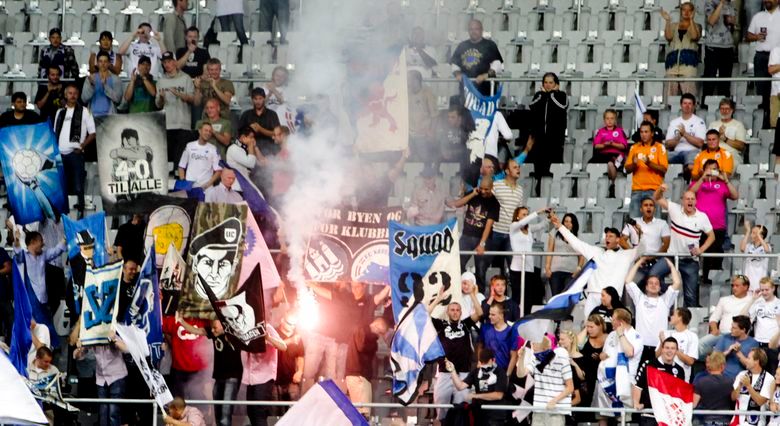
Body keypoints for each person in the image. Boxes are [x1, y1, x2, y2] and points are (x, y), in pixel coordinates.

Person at [549, 212, 643, 316]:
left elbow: (642, 249)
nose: (607, 238)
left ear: (618, 239)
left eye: (611, 236)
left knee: (609, 325)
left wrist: (641, 233)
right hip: (593, 295)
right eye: (606, 236)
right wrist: (560, 227)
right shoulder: (596, 251)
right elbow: (576, 243)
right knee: (589, 323)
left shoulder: (626, 255)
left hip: (613, 297)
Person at [652, 184, 716, 307]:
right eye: (687, 199)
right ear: (682, 201)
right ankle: (668, 297)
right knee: (653, 275)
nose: (690, 201)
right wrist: (660, 189)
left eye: (692, 199)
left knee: (690, 297)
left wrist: (701, 249)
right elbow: (657, 198)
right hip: (671, 256)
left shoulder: (702, 217)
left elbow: (712, 236)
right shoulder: (675, 209)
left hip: (690, 260)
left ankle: (687, 319)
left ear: (696, 201)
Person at [428, 284, 483, 425]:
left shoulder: (465, 324)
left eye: (458, 310)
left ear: (461, 312)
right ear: (447, 312)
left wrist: (472, 294)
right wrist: (438, 299)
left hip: (463, 374)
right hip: (444, 373)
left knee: (463, 410)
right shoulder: (441, 325)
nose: (455, 312)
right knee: (441, 410)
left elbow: (479, 313)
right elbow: (425, 315)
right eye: (452, 310)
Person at [177, 314, 241, 426]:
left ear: (223, 325)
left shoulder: (234, 333)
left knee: (225, 416)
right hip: (219, 377)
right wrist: (181, 321)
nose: (212, 330)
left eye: (215, 327)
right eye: (211, 327)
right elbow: (196, 330)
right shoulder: (213, 332)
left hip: (232, 377)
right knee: (218, 414)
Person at [447, 175, 499, 292]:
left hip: (483, 238)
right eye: (481, 188)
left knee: (481, 270)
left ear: (492, 187)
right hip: (467, 236)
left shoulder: (494, 203)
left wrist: (482, 244)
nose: (483, 191)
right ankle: (458, 291)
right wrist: (472, 194)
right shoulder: (474, 194)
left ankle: (480, 296)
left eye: (486, 189)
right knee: (458, 264)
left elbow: (488, 226)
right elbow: (456, 204)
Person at [625, 257, 682, 365]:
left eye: (656, 283)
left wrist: (671, 266)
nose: (653, 285)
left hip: (659, 346)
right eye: (650, 283)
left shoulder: (665, 300)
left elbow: (677, 283)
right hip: (640, 345)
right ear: (646, 287)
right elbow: (628, 281)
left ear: (660, 288)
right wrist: (639, 262)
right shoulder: (639, 298)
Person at [690, 158, 738, 282]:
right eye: (709, 169)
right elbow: (690, 194)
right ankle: (701, 280)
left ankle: (712, 284)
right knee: (697, 255)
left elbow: (735, 196)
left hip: (718, 227)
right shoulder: (697, 183)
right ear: (703, 170)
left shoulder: (722, 185)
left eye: (715, 169)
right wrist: (702, 178)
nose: (712, 171)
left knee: (714, 256)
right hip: (699, 227)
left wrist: (726, 180)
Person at [593, 308, 643, 425]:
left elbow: (629, 352)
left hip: (624, 382)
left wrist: (621, 334)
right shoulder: (611, 334)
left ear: (621, 322)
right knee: (603, 415)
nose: (611, 321)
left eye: (613, 319)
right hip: (605, 380)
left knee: (622, 417)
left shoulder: (636, 336)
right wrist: (602, 355)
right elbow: (604, 353)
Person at [516, 335, 575, 426]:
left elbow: (570, 387)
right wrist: (521, 358)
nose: (534, 353)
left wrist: (555, 400)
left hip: (556, 411)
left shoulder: (562, 359)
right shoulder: (535, 360)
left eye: (536, 350)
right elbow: (520, 374)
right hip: (538, 410)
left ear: (545, 349)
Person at [74, 330, 129, 426]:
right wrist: (80, 347)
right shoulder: (93, 335)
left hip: (117, 377)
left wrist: (114, 339)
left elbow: (126, 349)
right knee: (103, 411)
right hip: (101, 378)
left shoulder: (113, 332)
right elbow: (77, 356)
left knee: (113, 411)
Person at [446, 348, 508, 426]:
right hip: (480, 413)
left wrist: (476, 396)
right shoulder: (476, 372)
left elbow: (498, 395)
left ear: (493, 360)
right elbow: (460, 386)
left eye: (487, 364)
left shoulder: (500, 372)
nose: (485, 367)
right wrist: (452, 371)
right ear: (479, 362)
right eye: (483, 364)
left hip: (496, 413)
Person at [527, 72, 568, 189]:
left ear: (556, 84)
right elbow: (532, 106)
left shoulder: (561, 95)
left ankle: (554, 189)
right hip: (540, 137)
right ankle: (539, 188)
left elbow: (562, 106)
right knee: (539, 165)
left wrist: (552, 94)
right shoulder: (539, 95)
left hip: (555, 138)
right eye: (545, 82)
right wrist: (543, 95)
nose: (548, 85)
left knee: (554, 165)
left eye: (551, 82)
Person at [633, 337, 686, 425]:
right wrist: (636, 403)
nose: (670, 351)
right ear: (662, 349)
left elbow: (680, 393)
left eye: (673, 348)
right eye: (667, 348)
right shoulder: (649, 365)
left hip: (670, 417)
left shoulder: (679, 370)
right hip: (650, 415)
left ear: (677, 351)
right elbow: (638, 386)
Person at [243, 324, 288, 426]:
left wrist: (268, 338)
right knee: (251, 412)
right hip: (250, 378)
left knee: (259, 413)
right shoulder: (245, 328)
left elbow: (283, 346)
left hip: (264, 377)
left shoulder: (267, 327)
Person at [156, 51, 195, 167]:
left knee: (180, 160)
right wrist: (161, 98)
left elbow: (192, 99)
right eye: (164, 62)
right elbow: (158, 105)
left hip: (183, 124)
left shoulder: (186, 78)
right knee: (168, 159)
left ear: (174, 62)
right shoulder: (161, 81)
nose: (167, 64)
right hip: (167, 124)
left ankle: (179, 176)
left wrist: (178, 94)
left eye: (169, 61)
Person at [620, 197, 671, 286]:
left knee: (653, 283)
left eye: (651, 205)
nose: (648, 207)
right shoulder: (633, 222)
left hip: (656, 261)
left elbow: (666, 244)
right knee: (633, 287)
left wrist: (652, 257)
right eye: (645, 205)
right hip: (637, 262)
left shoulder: (662, 223)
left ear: (654, 209)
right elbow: (621, 241)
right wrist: (634, 254)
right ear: (641, 209)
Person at [701, 276, 756, 357]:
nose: (734, 288)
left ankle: (715, 357)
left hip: (739, 336)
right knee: (702, 343)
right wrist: (714, 329)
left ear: (745, 287)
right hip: (721, 334)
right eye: (733, 285)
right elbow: (714, 318)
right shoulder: (724, 300)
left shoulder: (752, 300)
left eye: (737, 286)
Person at [509, 206, 550, 314]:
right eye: (523, 214)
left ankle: (526, 318)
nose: (526, 216)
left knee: (528, 297)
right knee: (517, 296)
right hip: (517, 268)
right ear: (517, 216)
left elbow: (541, 225)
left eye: (527, 214)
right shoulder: (513, 227)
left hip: (529, 268)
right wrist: (538, 212)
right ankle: (515, 318)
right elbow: (522, 222)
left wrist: (548, 218)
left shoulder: (529, 228)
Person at [345, 317, 388, 420]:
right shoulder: (363, 330)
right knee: (362, 414)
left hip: (360, 377)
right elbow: (362, 346)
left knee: (363, 412)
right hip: (359, 376)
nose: (379, 336)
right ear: (377, 326)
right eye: (380, 333)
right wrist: (374, 340)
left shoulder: (364, 333)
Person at [488, 159, 524, 277]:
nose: (518, 169)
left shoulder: (520, 190)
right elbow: (487, 202)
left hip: (511, 233)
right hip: (495, 231)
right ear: (507, 171)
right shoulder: (497, 185)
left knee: (513, 266)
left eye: (518, 167)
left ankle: (513, 289)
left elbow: (519, 212)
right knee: (490, 264)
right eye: (515, 167)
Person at [625, 121, 669, 218]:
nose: (643, 134)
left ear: (652, 133)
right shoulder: (634, 148)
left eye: (646, 132)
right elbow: (627, 169)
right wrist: (634, 164)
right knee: (634, 222)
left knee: (655, 223)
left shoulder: (659, 147)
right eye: (641, 132)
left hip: (654, 191)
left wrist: (649, 164)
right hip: (637, 190)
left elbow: (664, 169)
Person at [746, 0, 780, 129]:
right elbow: (748, 36)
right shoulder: (758, 16)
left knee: (777, 91)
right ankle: (765, 122)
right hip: (761, 57)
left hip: (777, 58)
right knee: (762, 91)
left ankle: (775, 122)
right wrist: (756, 37)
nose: (767, 0)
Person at [450, 19, 503, 96]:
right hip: (466, 90)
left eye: (476, 29)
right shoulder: (462, 46)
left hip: (485, 90)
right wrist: (458, 74)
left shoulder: (490, 45)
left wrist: (485, 75)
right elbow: (455, 65)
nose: (473, 32)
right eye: (471, 29)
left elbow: (497, 65)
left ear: (481, 30)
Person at [661, 3, 701, 97]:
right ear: (680, 11)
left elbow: (694, 36)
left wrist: (691, 20)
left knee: (689, 95)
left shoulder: (697, 26)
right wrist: (667, 21)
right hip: (672, 64)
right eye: (684, 10)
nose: (686, 12)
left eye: (689, 10)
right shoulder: (674, 25)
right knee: (670, 94)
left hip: (688, 65)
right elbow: (668, 37)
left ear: (693, 12)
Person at [575, 314, 607, 424]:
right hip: (586, 380)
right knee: (584, 412)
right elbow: (576, 344)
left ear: (600, 326)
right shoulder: (586, 338)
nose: (589, 329)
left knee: (602, 414)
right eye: (587, 327)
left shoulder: (608, 338)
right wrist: (586, 328)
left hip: (603, 380)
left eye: (592, 327)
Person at [703, 0, 737, 101]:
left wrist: (732, 20)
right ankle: (706, 105)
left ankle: (725, 105)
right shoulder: (709, 3)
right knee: (710, 77)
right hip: (713, 46)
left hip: (728, 46)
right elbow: (712, 21)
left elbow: (733, 22)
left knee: (725, 80)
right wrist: (721, 4)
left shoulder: (731, 4)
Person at [665, 93, 707, 174]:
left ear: (694, 106)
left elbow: (700, 143)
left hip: (693, 152)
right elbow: (667, 144)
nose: (687, 106)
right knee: (660, 160)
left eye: (689, 103)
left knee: (691, 165)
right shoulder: (674, 122)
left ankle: (686, 178)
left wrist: (685, 134)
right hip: (676, 152)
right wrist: (678, 137)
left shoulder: (699, 122)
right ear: (681, 105)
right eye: (685, 103)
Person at [545, 213, 584, 296]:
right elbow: (550, 251)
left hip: (571, 272)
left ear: (574, 224)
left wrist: (578, 269)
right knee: (556, 296)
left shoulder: (577, 236)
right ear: (563, 222)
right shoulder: (554, 232)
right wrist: (547, 267)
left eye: (570, 222)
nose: (568, 224)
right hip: (556, 271)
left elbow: (581, 256)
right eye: (566, 221)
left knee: (566, 297)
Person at [732, 348, 775, 425]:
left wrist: (748, 386)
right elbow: (733, 398)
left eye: (748, 358)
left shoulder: (769, 379)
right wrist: (739, 386)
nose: (746, 360)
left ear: (756, 361)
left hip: (756, 423)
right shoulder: (742, 374)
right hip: (738, 422)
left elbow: (760, 402)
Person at [591, 109, 629, 193]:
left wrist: (613, 144)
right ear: (604, 120)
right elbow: (596, 146)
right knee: (590, 163)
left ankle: (612, 185)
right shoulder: (601, 131)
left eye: (612, 118)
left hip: (617, 154)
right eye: (607, 118)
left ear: (615, 120)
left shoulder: (619, 131)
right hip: (603, 154)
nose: (609, 120)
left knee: (610, 164)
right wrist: (604, 145)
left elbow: (623, 146)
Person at [274, 312, 304, 415]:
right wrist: (290, 340)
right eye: (289, 324)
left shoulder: (297, 337)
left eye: (294, 325)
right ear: (282, 320)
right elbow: (272, 347)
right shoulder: (274, 333)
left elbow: (300, 356)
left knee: (294, 412)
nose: (292, 327)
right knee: (275, 414)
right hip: (274, 381)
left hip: (291, 380)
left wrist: (300, 371)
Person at [694, 351, 736, 425]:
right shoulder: (730, 382)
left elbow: (693, 404)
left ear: (710, 365)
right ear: (723, 366)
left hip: (706, 421)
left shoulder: (700, 382)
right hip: (725, 421)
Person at [657, 307, 699, 382]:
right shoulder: (665, 333)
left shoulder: (692, 336)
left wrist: (673, 349)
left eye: (673, 315)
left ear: (680, 317)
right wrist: (662, 343)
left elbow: (690, 361)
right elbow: (656, 356)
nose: (671, 317)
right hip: (662, 378)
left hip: (681, 380)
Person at [478, 302, 520, 375]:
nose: (489, 316)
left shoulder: (511, 331)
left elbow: (514, 356)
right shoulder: (485, 328)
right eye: (489, 314)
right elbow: (480, 346)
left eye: (493, 315)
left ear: (501, 315)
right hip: (486, 370)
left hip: (503, 371)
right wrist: (479, 362)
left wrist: (507, 376)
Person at [178, 122, 223, 189]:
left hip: (206, 189)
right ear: (200, 131)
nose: (208, 133)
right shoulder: (189, 146)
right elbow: (181, 166)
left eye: (210, 131)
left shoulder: (213, 149)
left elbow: (219, 170)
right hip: (190, 187)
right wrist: (183, 183)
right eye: (206, 130)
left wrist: (208, 184)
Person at [238, 87, 281, 157]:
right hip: (250, 150)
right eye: (255, 99)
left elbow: (277, 134)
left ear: (264, 98)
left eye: (260, 98)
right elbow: (240, 133)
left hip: (269, 150)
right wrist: (246, 135)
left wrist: (260, 129)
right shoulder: (246, 115)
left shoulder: (272, 114)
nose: (258, 101)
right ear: (252, 100)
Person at [715, 315, 760, 379]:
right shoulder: (725, 338)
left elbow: (751, 366)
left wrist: (738, 353)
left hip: (740, 378)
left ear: (743, 330)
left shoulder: (753, 343)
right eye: (731, 326)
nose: (731, 329)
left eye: (734, 328)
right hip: (721, 376)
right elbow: (713, 359)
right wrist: (727, 351)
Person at [408, 70, 438, 163]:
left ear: (416, 80)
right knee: (409, 158)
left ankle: (428, 171)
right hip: (409, 133)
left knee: (425, 159)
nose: (408, 82)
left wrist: (432, 131)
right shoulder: (406, 92)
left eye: (409, 79)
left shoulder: (427, 93)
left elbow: (434, 115)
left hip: (423, 134)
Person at [750, 278, 780, 373]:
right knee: (757, 373)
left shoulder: (779, 303)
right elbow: (743, 318)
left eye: (767, 290)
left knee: (772, 373)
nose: (764, 292)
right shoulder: (757, 303)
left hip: (774, 344)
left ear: (773, 288)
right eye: (762, 290)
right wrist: (752, 300)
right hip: (758, 343)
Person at [82, 51, 123, 118]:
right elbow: (84, 99)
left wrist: (105, 86)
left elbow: (118, 100)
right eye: (100, 61)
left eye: (105, 61)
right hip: (92, 116)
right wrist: (91, 85)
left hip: (110, 117)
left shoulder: (116, 79)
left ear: (109, 63)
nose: (103, 64)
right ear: (97, 63)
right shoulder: (90, 78)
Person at [709, 98, 747, 166]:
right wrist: (718, 136)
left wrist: (725, 139)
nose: (724, 111)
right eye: (722, 109)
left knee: (726, 165)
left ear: (732, 110)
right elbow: (708, 144)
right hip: (714, 154)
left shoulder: (738, 125)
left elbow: (741, 146)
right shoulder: (713, 124)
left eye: (727, 109)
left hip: (731, 155)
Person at [226, 127, 263, 192]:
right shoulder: (233, 149)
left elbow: (262, 163)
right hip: (237, 187)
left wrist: (255, 147)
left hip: (245, 183)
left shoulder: (245, 149)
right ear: (243, 137)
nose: (253, 140)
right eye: (251, 137)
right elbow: (250, 163)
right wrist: (250, 146)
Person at [741, 222, 772, 294]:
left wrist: (759, 236)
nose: (751, 235)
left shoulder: (767, 246)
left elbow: (767, 250)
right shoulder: (749, 246)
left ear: (761, 235)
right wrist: (748, 231)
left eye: (754, 233)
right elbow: (742, 248)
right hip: (749, 282)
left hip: (761, 283)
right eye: (751, 232)